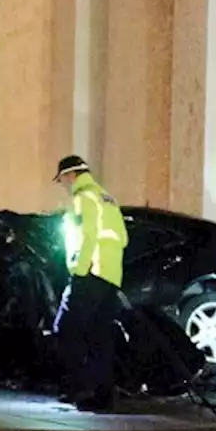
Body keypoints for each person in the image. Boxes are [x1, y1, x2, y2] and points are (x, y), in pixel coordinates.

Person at [51, 155, 129, 411]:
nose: (63, 184)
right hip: (110, 276)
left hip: (90, 274)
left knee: (66, 328)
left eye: (62, 179)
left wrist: (79, 270)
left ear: (71, 175)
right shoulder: (107, 198)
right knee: (100, 336)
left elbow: (89, 235)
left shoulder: (82, 198)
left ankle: (79, 388)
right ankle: (103, 395)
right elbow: (123, 239)